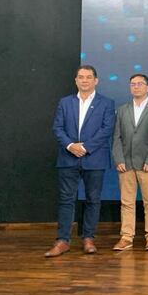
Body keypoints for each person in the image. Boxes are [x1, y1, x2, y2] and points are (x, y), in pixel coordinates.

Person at [46, 65, 115, 257]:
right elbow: (57, 128)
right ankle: (62, 241)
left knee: (93, 200)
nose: (84, 80)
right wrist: (70, 146)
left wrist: (85, 147)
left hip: (95, 159)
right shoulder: (65, 102)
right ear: (76, 80)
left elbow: (106, 129)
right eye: (81, 77)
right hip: (68, 158)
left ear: (96, 81)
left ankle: (88, 238)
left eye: (88, 77)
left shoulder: (107, 103)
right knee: (66, 200)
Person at [111, 73, 148, 252]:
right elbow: (116, 137)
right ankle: (126, 237)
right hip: (126, 163)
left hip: (147, 164)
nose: (136, 87)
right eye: (133, 84)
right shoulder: (122, 109)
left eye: (140, 84)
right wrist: (118, 159)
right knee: (127, 202)